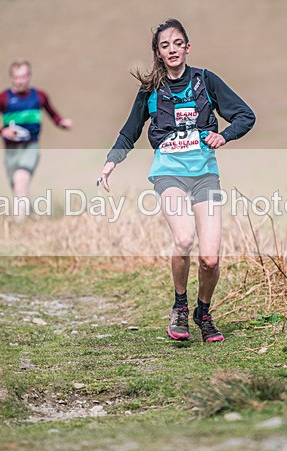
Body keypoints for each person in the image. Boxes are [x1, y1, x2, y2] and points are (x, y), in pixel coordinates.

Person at [99, 19, 255, 343]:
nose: (172, 49)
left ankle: (204, 313)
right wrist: (111, 162)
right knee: (184, 240)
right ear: (158, 53)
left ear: (187, 46)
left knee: (210, 259)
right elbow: (130, 131)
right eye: (164, 45)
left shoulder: (205, 81)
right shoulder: (151, 91)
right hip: (168, 172)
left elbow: (245, 115)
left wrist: (223, 136)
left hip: (204, 174)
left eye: (177, 43)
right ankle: (180, 306)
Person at [0, 60, 73, 220]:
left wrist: (62, 123)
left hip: (31, 146)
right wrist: (3, 131)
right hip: (11, 151)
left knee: (19, 181)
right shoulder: (3, 98)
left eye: (24, 76)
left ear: (29, 76)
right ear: (11, 77)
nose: (20, 80)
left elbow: (53, 115)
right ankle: (32, 219)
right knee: (19, 188)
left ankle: (18, 225)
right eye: (17, 77)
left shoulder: (39, 96)